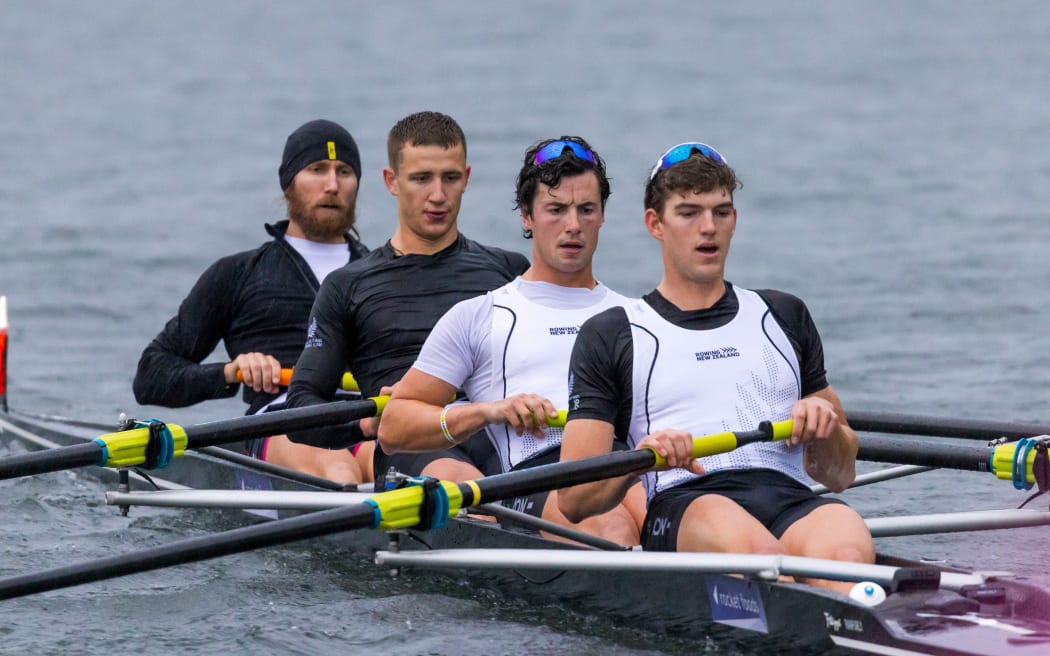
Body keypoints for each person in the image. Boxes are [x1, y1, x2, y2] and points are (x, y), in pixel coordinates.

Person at [556, 142, 874, 592]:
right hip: (687, 501)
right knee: (762, 559)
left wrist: (829, 431)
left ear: (734, 219)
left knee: (847, 559)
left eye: (720, 212)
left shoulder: (783, 315)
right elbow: (572, 500)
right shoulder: (613, 333)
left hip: (789, 498)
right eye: (689, 213)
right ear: (655, 224)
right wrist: (639, 460)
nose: (709, 228)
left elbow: (841, 476)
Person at [378, 137, 644, 546]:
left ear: (602, 216)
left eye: (586, 210)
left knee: (664, 512)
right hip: (536, 473)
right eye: (556, 210)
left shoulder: (636, 317)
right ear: (527, 217)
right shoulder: (480, 316)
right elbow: (394, 427)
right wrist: (486, 412)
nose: (573, 224)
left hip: (633, 464)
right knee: (611, 528)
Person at [285, 111, 529, 488]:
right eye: (420, 179)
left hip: (503, 435)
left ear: (466, 178)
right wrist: (365, 421)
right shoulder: (347, 287)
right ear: (392, 182)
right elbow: (300, 404)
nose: (437, 195)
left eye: (449, 178)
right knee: (464, 486)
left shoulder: (508, 271)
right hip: (414, 446)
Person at [133, 119, 374, 484]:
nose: (332, 184)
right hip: (282, 417)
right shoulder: (238, 274)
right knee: (339, 469)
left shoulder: (383, 273)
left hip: (367, 416)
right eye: (317, 169)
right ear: (288, 183)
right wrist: (230, 372)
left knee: (408, 465)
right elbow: (151, 376)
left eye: (344, 171)